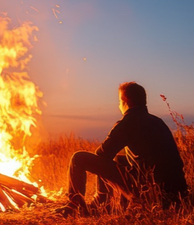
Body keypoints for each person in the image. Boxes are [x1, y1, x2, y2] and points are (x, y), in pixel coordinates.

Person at [58, 82, 187, 216]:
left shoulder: (128, 122)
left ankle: (75, 205)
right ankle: (103, 203)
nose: (118, 105)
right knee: (120, 159)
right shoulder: (157, 121)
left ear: (126, 100)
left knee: (78, 158)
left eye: (119, 100)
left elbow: (102, 154)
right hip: (176, 193)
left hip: (150, 193)